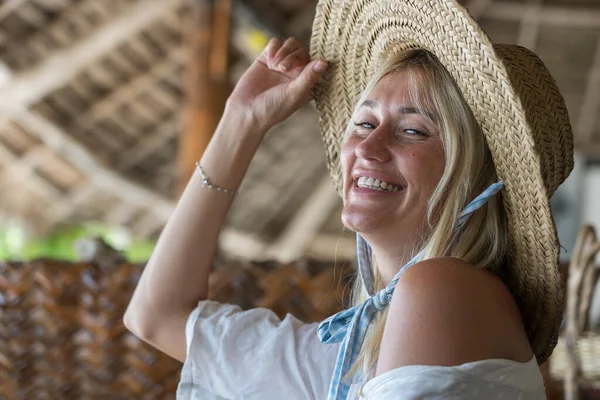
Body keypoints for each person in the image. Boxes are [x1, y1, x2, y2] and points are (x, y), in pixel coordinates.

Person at [124, 0, 574, 398]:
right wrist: (240, 124)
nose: (367, 148)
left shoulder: (440, 288)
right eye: (363, 123)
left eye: (413, 131)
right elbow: (158, 316)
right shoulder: (357, 348)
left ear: (477, 180)